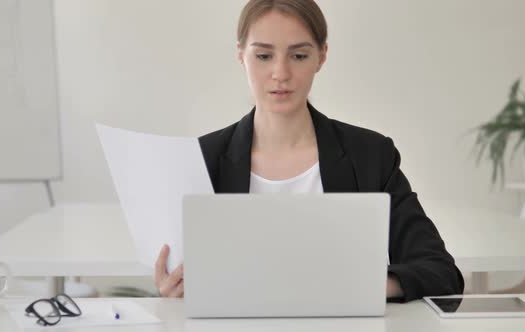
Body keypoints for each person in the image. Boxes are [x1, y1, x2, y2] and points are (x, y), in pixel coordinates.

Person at [154, 0, 464, 302]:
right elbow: (185, 277)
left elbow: (440, 272)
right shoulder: (201, 159)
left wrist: (367, 286)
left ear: (321, 56)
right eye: (263, 55)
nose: (281, 73)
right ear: (241, 55)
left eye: (299, 56)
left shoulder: (370, 155)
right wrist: (175, 289)